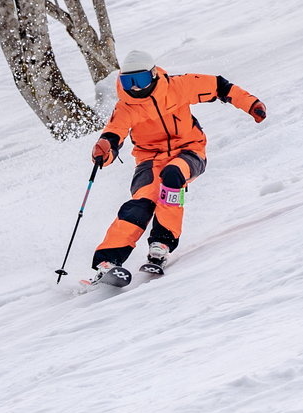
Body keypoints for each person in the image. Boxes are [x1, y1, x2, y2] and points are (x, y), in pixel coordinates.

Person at [89, 50, 266, 276]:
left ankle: (161, 243)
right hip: (149, 159)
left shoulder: (178, 86)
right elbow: (114, 134)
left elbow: (220, 86)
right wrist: (105, 150)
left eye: (139, 80)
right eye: (127, 81)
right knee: (141, 203)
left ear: (153, 74)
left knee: (173, 175)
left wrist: (251, 104)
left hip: (190, 151)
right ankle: (107, 261)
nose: (134, 87)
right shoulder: (126, 106)